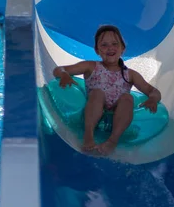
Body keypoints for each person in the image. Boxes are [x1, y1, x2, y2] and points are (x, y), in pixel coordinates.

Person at [53, 25, 161, 155]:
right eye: (104, 45)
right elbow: (59, 69)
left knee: (128, 97)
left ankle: (112, 140)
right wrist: (64, 74)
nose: (110, 48)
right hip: (94, 107)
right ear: (97, 50)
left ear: (122, 49)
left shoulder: (130, 75)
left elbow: (152, 91)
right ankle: (89, 136)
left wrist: (153, 99)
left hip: (118, 112)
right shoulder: (90, 66)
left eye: (115, 44)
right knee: (98, 93)